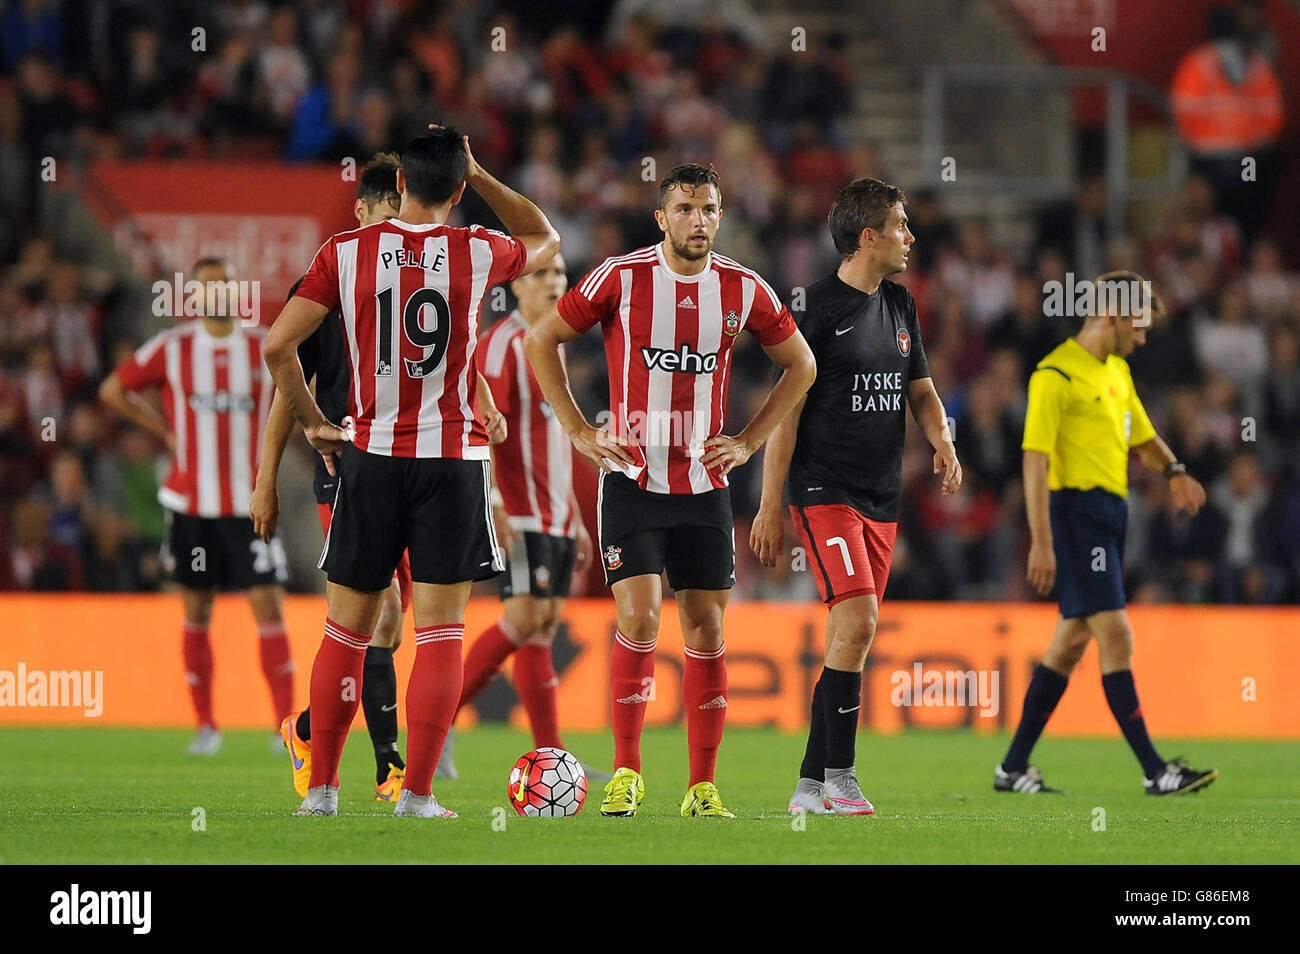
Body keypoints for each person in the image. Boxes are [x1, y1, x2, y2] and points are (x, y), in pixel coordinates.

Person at [262, 126, 559, 817]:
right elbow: (544, 235)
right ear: (456, 191)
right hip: (451, 464)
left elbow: (279, 347)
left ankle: (324, 791)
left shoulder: (345, 252)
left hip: (369, 458)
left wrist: (312, 420)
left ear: (397, 186)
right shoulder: (478, 251)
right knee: (441, 634)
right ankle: (417, 795)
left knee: (345, 631)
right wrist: (481, 174)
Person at [524, 163, 816, 818]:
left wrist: (748, 440)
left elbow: (803, 366)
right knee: (639, 617)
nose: (698, 221)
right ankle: (627, 771)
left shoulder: (743, 288)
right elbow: (543, 339)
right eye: (684, 209)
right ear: (662, 218)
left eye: (709, 209)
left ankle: (702, 787)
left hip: (705, 484)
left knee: (708, 630)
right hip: (631, 477)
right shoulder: (621, 277)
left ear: (721, 216)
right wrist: (575, 428)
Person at [751, 177, 962, 815]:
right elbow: (786, 414)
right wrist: (768, 504)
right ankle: (840, 779)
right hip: (824, 491)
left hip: (882, 496)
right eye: (901, 225)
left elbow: (919, 390)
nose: (911, 237)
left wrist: (944, 443)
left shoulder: (900, 304)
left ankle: (808, 788)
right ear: (869, 236)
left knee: (853, 634)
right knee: (860, 620)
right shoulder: (811, 309)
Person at [998, 271, 1218, 796]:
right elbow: (1035, 462)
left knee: (1070, 644)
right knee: (1116, 634)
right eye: (1138, 328)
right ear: (1112, 316)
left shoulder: (1116, 372)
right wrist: (1042, 540)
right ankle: (1155, 770)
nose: (1142, 339)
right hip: (1075, 515)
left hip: (1111, 517)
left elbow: (1143, 438)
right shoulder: (1055, 375)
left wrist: (1176, 472)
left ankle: (1011, 769)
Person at [252, 154, 410, 802]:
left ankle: (308, 728)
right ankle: (388, 769)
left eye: (405, 215)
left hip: (413, 464)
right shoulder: (326, 281)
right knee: (377, 616)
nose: (396, 227)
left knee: (387, 628)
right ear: (361, 212)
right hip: (346, 464)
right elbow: (287, 390)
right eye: (387, 213)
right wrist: (265, 480)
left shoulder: (416, 283)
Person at [100, 257, 293, 755]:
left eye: (225, 284)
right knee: (196, 609)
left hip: (251, 505)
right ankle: (206, 726)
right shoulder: (174, 348)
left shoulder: (265, 344)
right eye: (207, 287)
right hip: (191, 505)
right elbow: (113, 389)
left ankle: (284, 728)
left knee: (268, 606)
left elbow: (300, 391)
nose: (218, 294)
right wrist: (162, 430)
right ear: (194, 297)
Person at [440, 252, 601, 779]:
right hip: (520, 510)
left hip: (554, 513)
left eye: (559, 273)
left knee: (542, 628)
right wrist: (493, 504)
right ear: (515, 288)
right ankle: (434, 730)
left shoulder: (550, 344)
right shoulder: (501, 346)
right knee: (524, 618)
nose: (555, 281)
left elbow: (555, 438)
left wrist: (575, 515)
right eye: (541, 274)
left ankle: (554, 759)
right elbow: (483, 428)